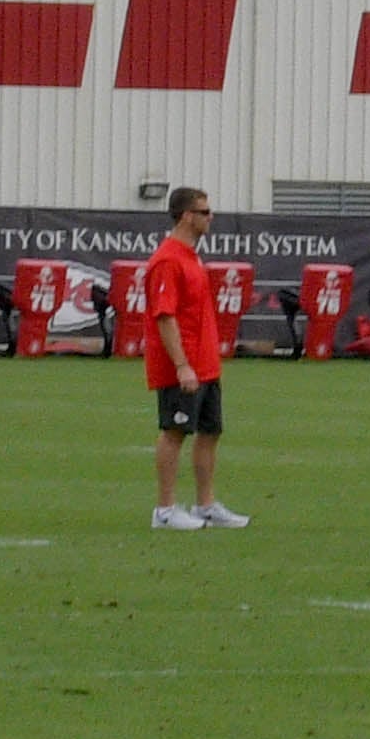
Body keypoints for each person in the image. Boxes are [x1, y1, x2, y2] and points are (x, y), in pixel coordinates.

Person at [136, 188, 242, 530]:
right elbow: (164, 317)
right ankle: (165, 510)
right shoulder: (168, 259)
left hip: (206, 363)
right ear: (186, 215)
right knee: (174, 432)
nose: (211, 217)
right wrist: (182, 364)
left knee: (210, 431)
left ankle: (205, 505)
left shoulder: (192, 256)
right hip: (182, 366)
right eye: (205, 211)